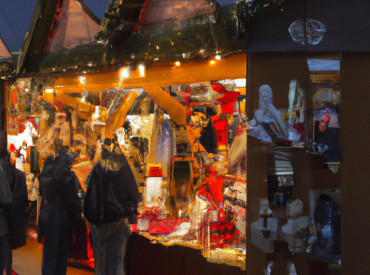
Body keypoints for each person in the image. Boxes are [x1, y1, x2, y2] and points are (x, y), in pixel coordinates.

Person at [84, 138, 141, 275]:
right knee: (116, 263)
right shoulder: (122, 165)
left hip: (98, 222)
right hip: (117, 221)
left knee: (101, 263)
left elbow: (88, 192)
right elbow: (134, 194)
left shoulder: (98, 166)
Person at [38, 153, 81, 275]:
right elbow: (72, 201)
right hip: (62, 222)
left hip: (48, 218)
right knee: (60, 258)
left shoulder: (46, 174)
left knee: (49, 256)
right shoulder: (66, 176)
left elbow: (42, 193)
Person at [0, 153, 28, 275]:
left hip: (5, 219)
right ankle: (8, 271)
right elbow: (8, 198)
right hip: (6, 219)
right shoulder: (17, 175)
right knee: (6, 247)